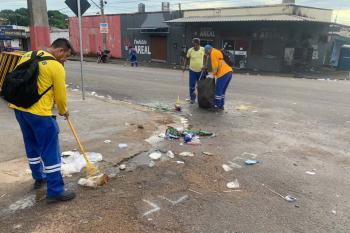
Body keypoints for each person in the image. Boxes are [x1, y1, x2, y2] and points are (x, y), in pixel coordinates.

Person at [9, 38, 76, 203]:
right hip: (40, 114)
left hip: (20, 109)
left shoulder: (28, 55)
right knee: (50, 151)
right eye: (66, 56)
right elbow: (60, 96)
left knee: (31, 144)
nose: (65, 60)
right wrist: (63, 111)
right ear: (60, 51)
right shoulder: (55, 66)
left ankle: (39, 177)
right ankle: (55, 191)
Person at [204, 44, 233, 112]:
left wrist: (212, 75)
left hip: (223, 74)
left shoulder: (213, 53)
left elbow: (215, 67)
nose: (206, 54)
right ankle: (221, 105)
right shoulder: (217, 51)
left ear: (208, 50)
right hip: (229, 72)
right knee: (222, 91)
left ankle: (216, 106)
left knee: (218, 90)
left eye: (206, 52)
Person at [183, 38, 205, 104]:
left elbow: (206, 57)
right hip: (192, 70)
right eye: (193, 45)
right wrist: (184, 66)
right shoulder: (190, 50)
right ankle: (192, 99)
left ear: (199, 44)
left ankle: (200, 99)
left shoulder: (203, 49)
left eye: (195, 45)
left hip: (201, 71)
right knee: (192, 85)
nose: (194, 46)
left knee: (200, 86)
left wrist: (205, 65)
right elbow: (186, 59)